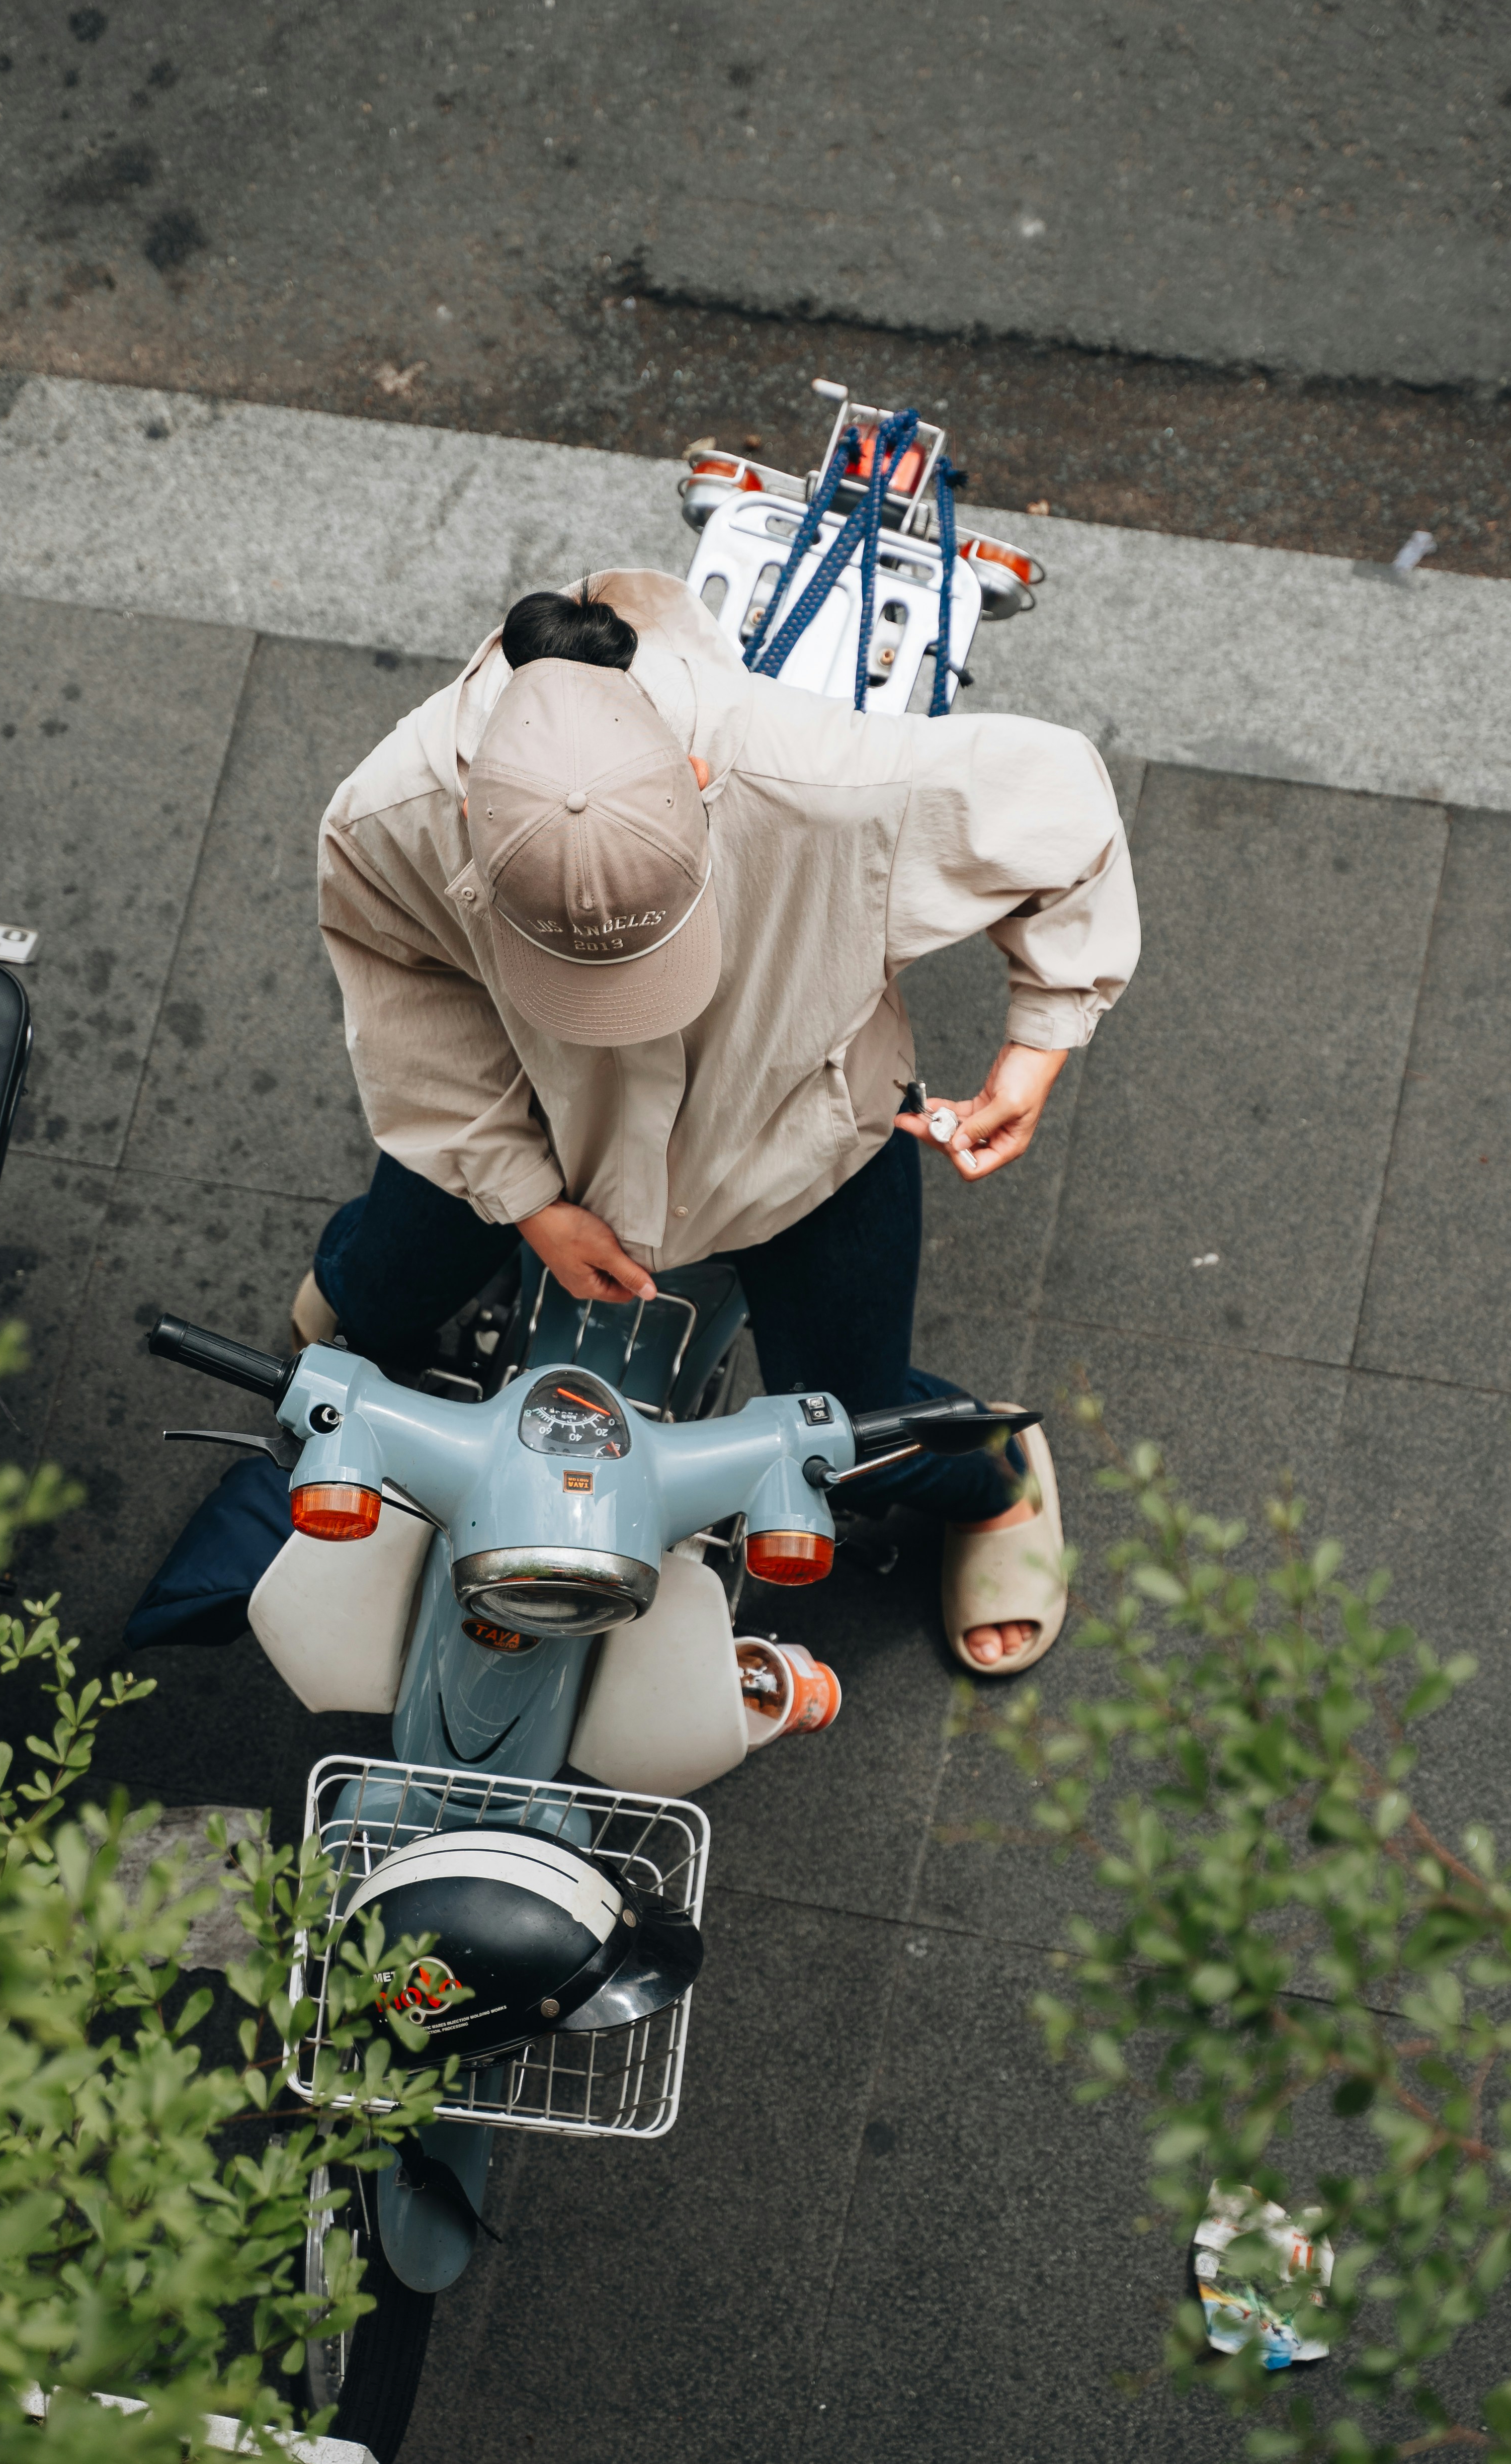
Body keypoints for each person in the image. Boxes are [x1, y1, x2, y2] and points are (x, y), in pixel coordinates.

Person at [294, 573, 1139, 1673]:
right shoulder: (385, 815)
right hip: (527, 1118)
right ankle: (366, 1300)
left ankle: (995, 1469)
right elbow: (406, 992)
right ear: (467, 822)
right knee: (376, 1290)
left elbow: (1060, 806)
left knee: (855, 1417)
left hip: (796, 1142)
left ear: (700, 784)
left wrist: (1040, 1038)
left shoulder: (822, 778)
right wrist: (527, 1198)